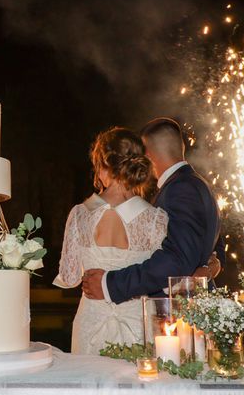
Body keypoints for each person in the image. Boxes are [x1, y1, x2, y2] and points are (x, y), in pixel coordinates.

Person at [82, 117, 224, 305]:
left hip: (178, 310)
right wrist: (210, 267)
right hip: (194, 305)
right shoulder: (197, 184)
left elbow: (176, 260)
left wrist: (111, 284)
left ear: (147, 156)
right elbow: (214, 247)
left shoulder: (180, 189)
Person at [54, 127, 170, 354]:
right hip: (139, 324)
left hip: (91, 322)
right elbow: (163, 276)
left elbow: (69, 278)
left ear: (102, 165)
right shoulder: (156, 218)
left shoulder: (79, 214)